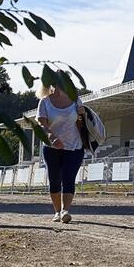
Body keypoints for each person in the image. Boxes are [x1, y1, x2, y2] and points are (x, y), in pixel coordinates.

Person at [35, 75, 85, 223]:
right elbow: (42, 125)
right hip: (51, 148)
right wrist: (52, 138)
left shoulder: (76, 100)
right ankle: (57, 211)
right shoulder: (45, 102)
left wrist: (83, 114)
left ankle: (65, 211)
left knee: (69, 178)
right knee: (54, 180)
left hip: (75, 147)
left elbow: (82, 123)